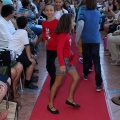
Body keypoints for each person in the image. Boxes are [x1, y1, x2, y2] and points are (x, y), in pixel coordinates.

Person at [47, 14, 80, 114]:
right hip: (62, 61)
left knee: (76, 78)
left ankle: (69, 99)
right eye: (73, 21)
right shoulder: (62, 35)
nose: (74, 23)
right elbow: (59, 50)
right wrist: (61, 64)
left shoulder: (67, 34)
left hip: (67, 61)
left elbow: (65, 48)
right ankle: (50, 104)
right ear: (68, 23)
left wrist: (69, 53)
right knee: (57, 83)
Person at [76, 0, 103, 91]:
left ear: (86, 4)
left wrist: (77, 39)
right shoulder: (98, 13)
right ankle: (98, 84)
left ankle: (86, 74)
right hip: (95, 40)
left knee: (86, 57)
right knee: (96, 61)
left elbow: (80, 25)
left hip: (86, 39)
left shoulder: (83, 13)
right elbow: (99, 25)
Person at [8, 16, 38, 90]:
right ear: (27, 25)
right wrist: (29, 58)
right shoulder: (24, 32)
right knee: (32, 63)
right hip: (15, 55)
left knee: (31, 60)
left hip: (13, 53)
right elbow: (27, 46)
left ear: (17, 25)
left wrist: (30, 55)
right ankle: (27, 83)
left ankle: (29, 77)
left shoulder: (17, 31)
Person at [0, 4, 23, 98]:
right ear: (10, 14)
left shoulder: (8, 21)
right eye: (13, 11)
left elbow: (13, 33)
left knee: (20, 67)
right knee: (13, 71)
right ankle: (10, 91)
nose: (15, 13)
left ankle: (13, 89)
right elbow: (9, 38)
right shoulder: (1, 23)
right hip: (4, 49)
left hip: (10, 48)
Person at [42, 3, 59, 90]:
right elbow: (44, 32)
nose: (49, 12)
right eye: (47, 10)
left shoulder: (57, 23)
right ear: (44, 12)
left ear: (54, 11)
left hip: (56, 48)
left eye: (51, 10)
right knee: (48, 67)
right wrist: (45, 39)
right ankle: (55, 80)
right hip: (49, 48)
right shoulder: (44, 23)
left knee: (53, 67)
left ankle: (53, 86)